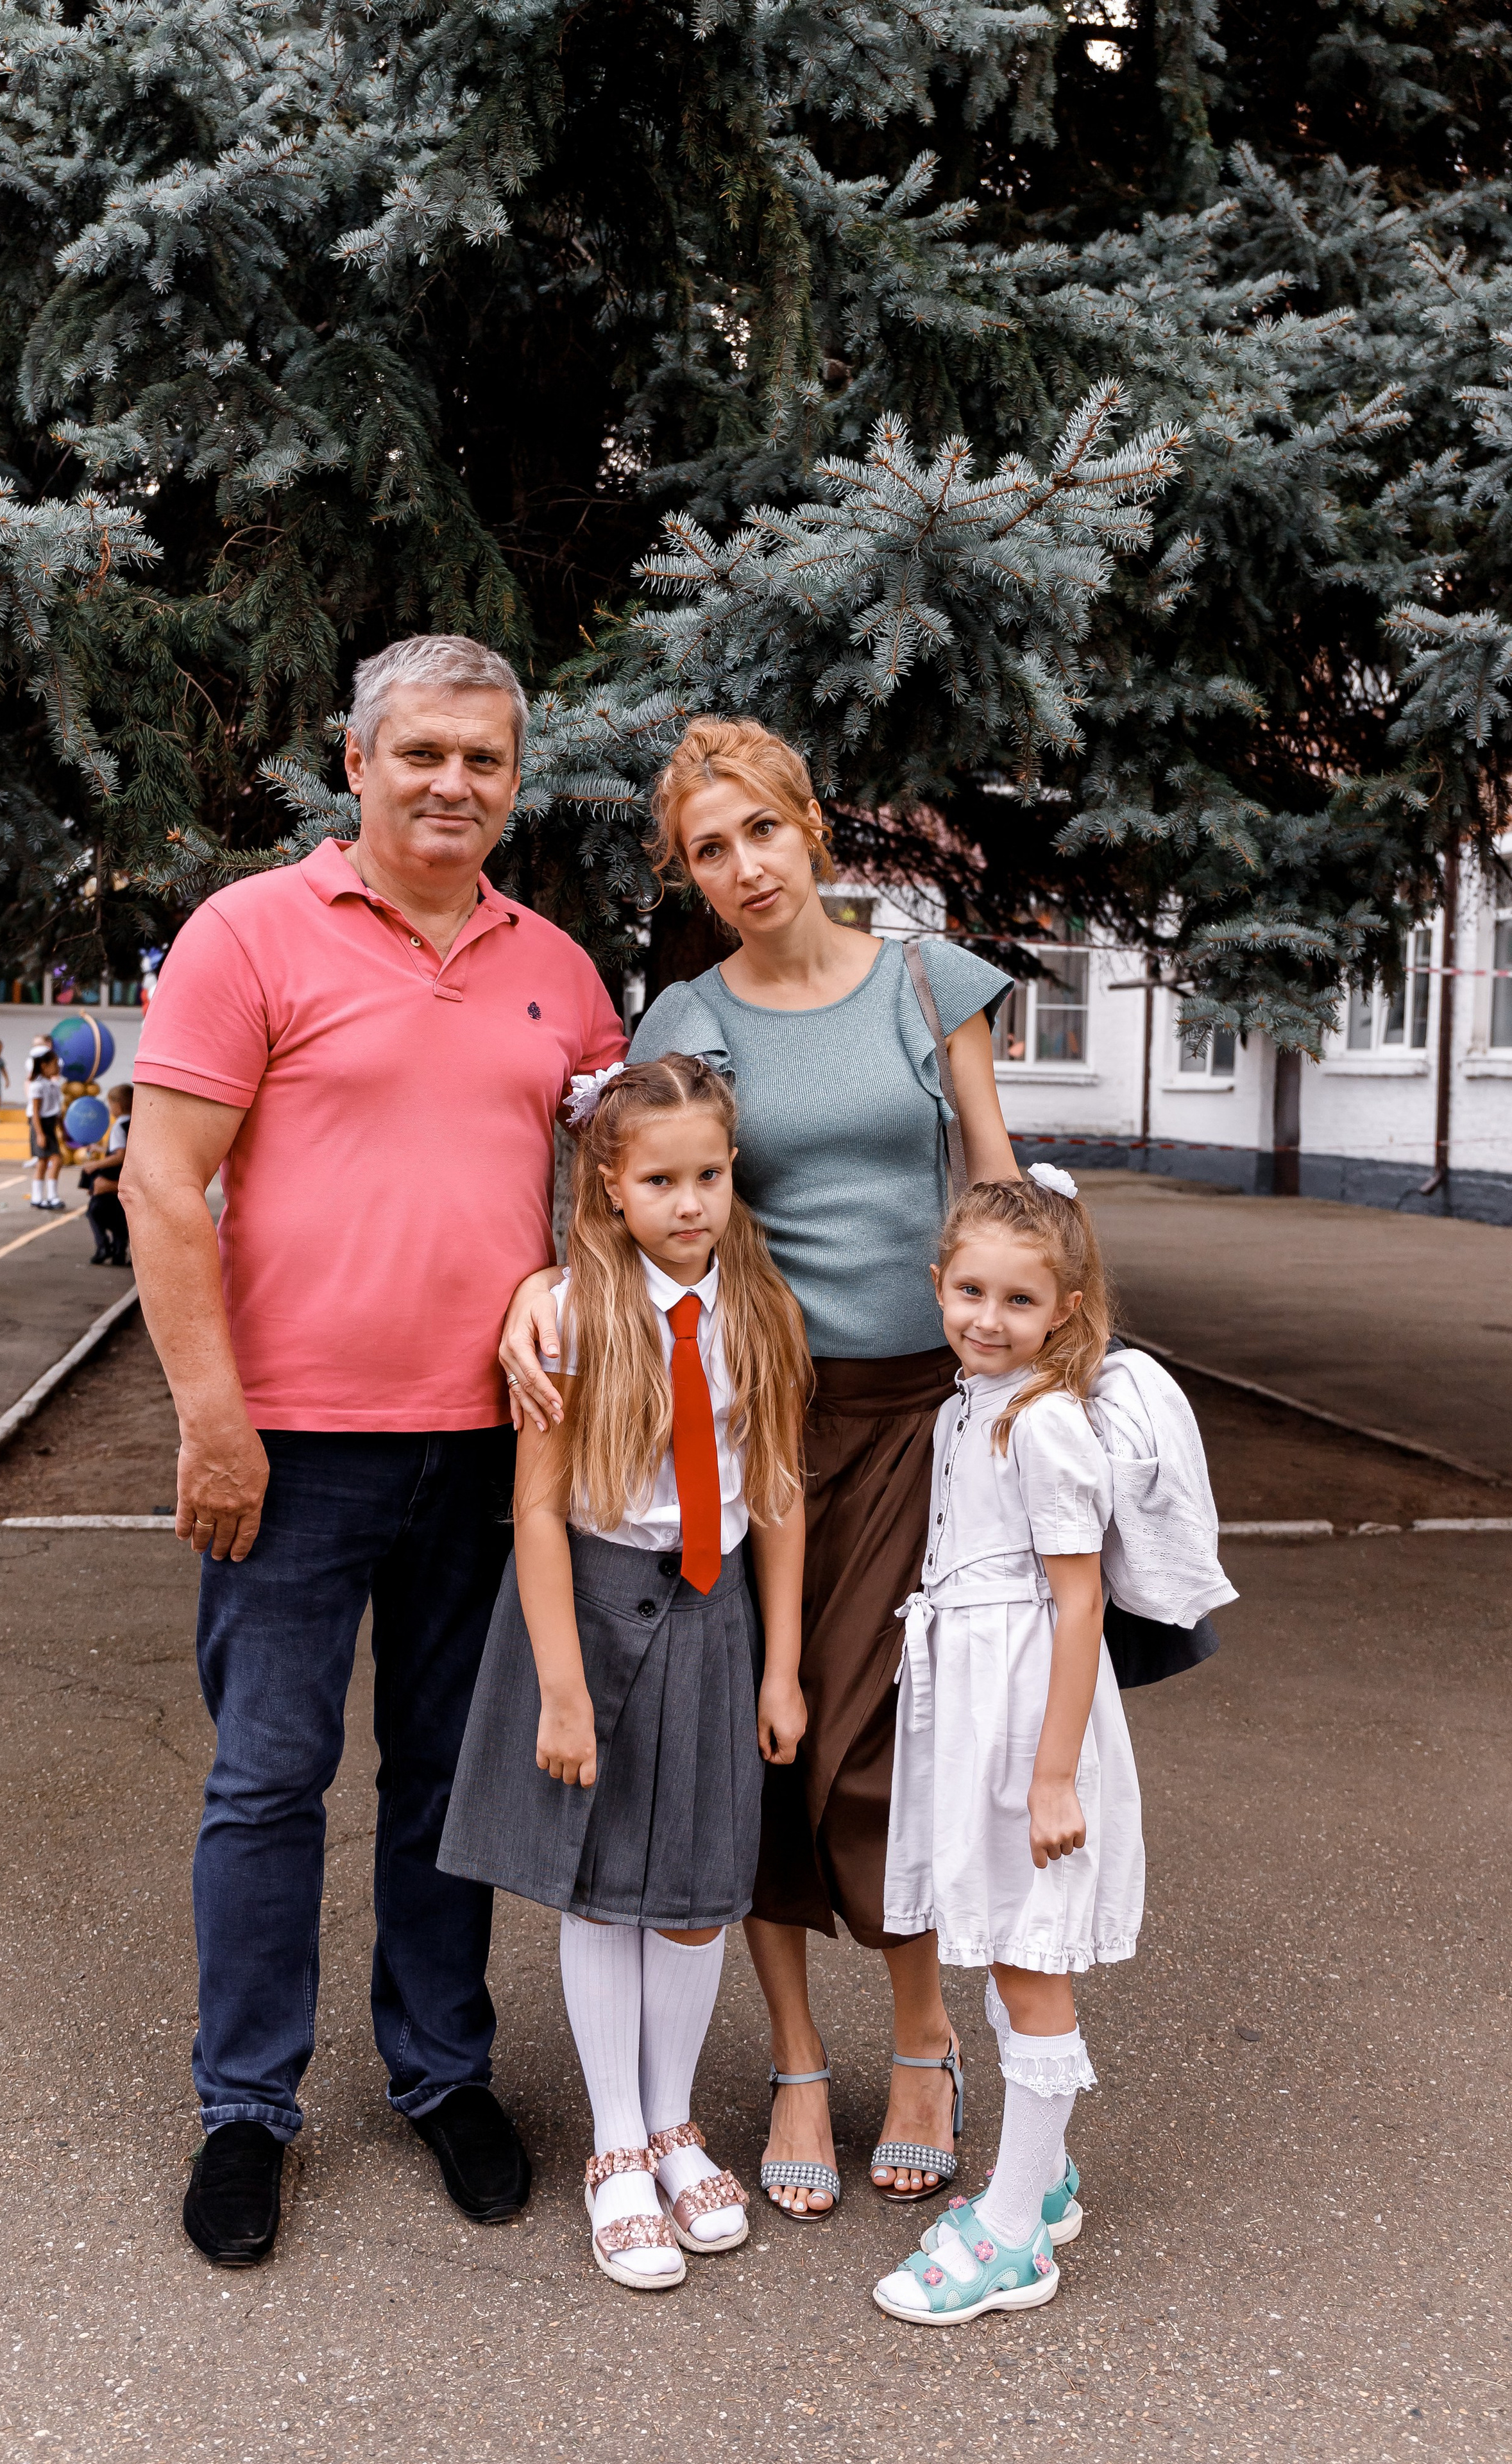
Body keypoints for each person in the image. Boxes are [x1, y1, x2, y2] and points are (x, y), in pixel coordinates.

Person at [123, 633, 627, 2269]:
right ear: (355, 763)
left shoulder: (558, 969)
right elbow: (160, 1184)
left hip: (490, 1455)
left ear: (515, 777)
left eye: (484, 757)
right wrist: (213, 1420)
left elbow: (617, 1197)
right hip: (289, 1452)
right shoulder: (249, 932)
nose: (451, 782)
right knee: (267, 1781)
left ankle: (441, 2072)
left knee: (441, 1783)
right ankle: (245, 2107)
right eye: (420, 752)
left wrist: (565, 1310)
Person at [501, 715, 1019, 2220]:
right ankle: (794, 2056)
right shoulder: (691, 1011)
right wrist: (539, 1287)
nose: (743, 867)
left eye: (762, 831)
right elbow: (634, 1182)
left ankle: (920, 2043)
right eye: (708, 850)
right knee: (765, 1744)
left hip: (924, 1411)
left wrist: (1040, 1365)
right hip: (766, 1413)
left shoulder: (928, 984)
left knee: (885, 1742)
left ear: (813, 826)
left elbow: (994, 1182)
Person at [441, 1055, 811, 2291]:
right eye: (660, 1180)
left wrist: (782, 1667)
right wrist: (561, 1689)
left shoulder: (763, 1311)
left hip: (714, 1617)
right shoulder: (568, 1317)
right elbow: (540, 1515)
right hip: (594, 1613)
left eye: (709, 1174)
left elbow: (779, 1496)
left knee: (699, 1889)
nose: (689, 1202)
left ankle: (672, 2123)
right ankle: (614, 2145)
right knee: (602, 1888)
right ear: (608, 1183)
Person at [871, 1169, 1145, 2324]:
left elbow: (1079, 1603)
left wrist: (1051, 1776)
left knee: (1033, 1962)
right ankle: (1043, 2180)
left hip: (1030, 1721)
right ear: (939, 1284)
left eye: (1019, 1300)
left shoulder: (1045, 1424)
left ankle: (1014, 2237)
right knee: (998, 1947)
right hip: (976, 1710)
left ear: (1065, 1310)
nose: (988, 1318)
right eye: (970, 1291)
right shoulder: (967, 1405)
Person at [81, 1083, 132, 1265]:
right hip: (127, 1177)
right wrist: (101, 1149)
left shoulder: (119, 1126)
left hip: (112, 1178)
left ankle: (103, 1245)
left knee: (94, 1211)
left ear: (117, 1106)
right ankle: (119, 1251)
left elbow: (120, 1155)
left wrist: (95, 1165)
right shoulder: (135, 1124)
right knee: (119, 1217)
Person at [27, 1050, 70, 1207]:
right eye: (55, 1064)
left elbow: (57, 1112)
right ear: (44, 1066)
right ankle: (51, 1196)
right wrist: (40, 1134)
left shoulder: (53, 1085)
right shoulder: (37, 1086)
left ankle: (37, 1198)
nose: (58, 1068)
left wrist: (62, 1130)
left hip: (50, 1124)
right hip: (41, 1125)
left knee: (43, 1162)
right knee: (55, 1160)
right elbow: (35, 1113)